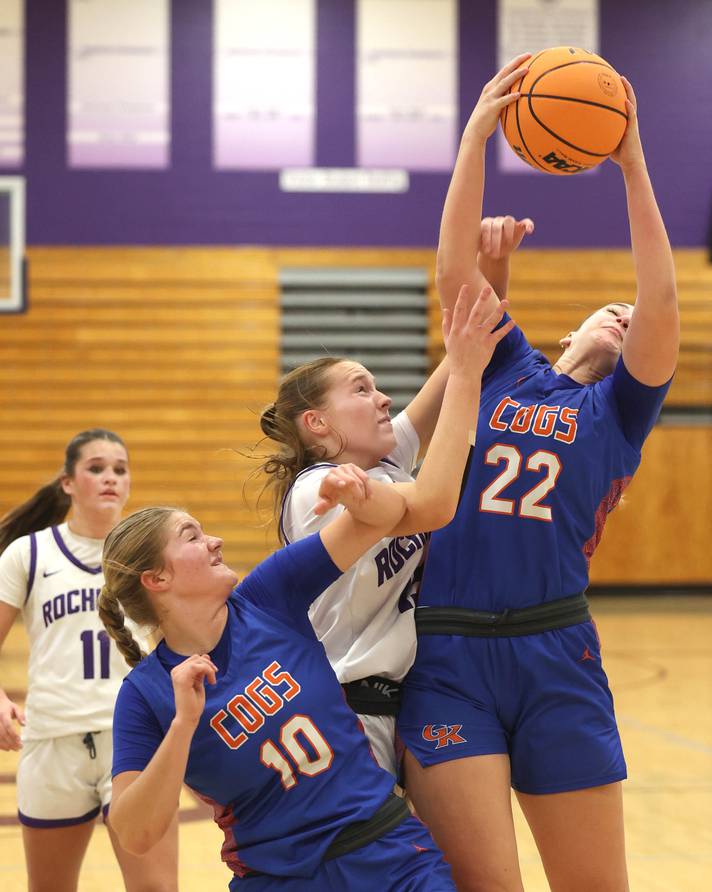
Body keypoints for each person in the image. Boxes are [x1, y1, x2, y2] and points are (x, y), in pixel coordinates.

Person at [98, 287, 513, 890]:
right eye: (192, 536)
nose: (215, 540)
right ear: (156, 579)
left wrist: (485, 290)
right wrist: (184, 726)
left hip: (385, 831)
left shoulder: (266, 593)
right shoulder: (148, 695)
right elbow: (134, 834)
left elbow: (411, 491)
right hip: (289, 860)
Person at [397, 55, 680, 892]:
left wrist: (631, 163)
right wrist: (477, 136)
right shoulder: (501, 365)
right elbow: (455, 277)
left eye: (630, 321)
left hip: (557, 650)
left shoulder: (620, 414)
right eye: (610, 309)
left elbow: (660, 300)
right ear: (572, 328)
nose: (624, 315)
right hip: (448, 652)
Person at [258, 237, 527, 777]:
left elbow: (464, 347)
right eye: (362, 389)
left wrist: (493, 269)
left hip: (401, 702)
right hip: (344, 708)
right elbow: (432, 503)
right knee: (371, 861)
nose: (383, 399)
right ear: (318, 423)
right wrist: (469, 376)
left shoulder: (383, 459)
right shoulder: (320, 488)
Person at [0, 428, 178, 892]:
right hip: (52, 741)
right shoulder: (29, 553)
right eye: (96, 468)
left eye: (120, 470)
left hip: (134, 738)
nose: (110, 478)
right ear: (67, 483)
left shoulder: (148, 551)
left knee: (156, 889)